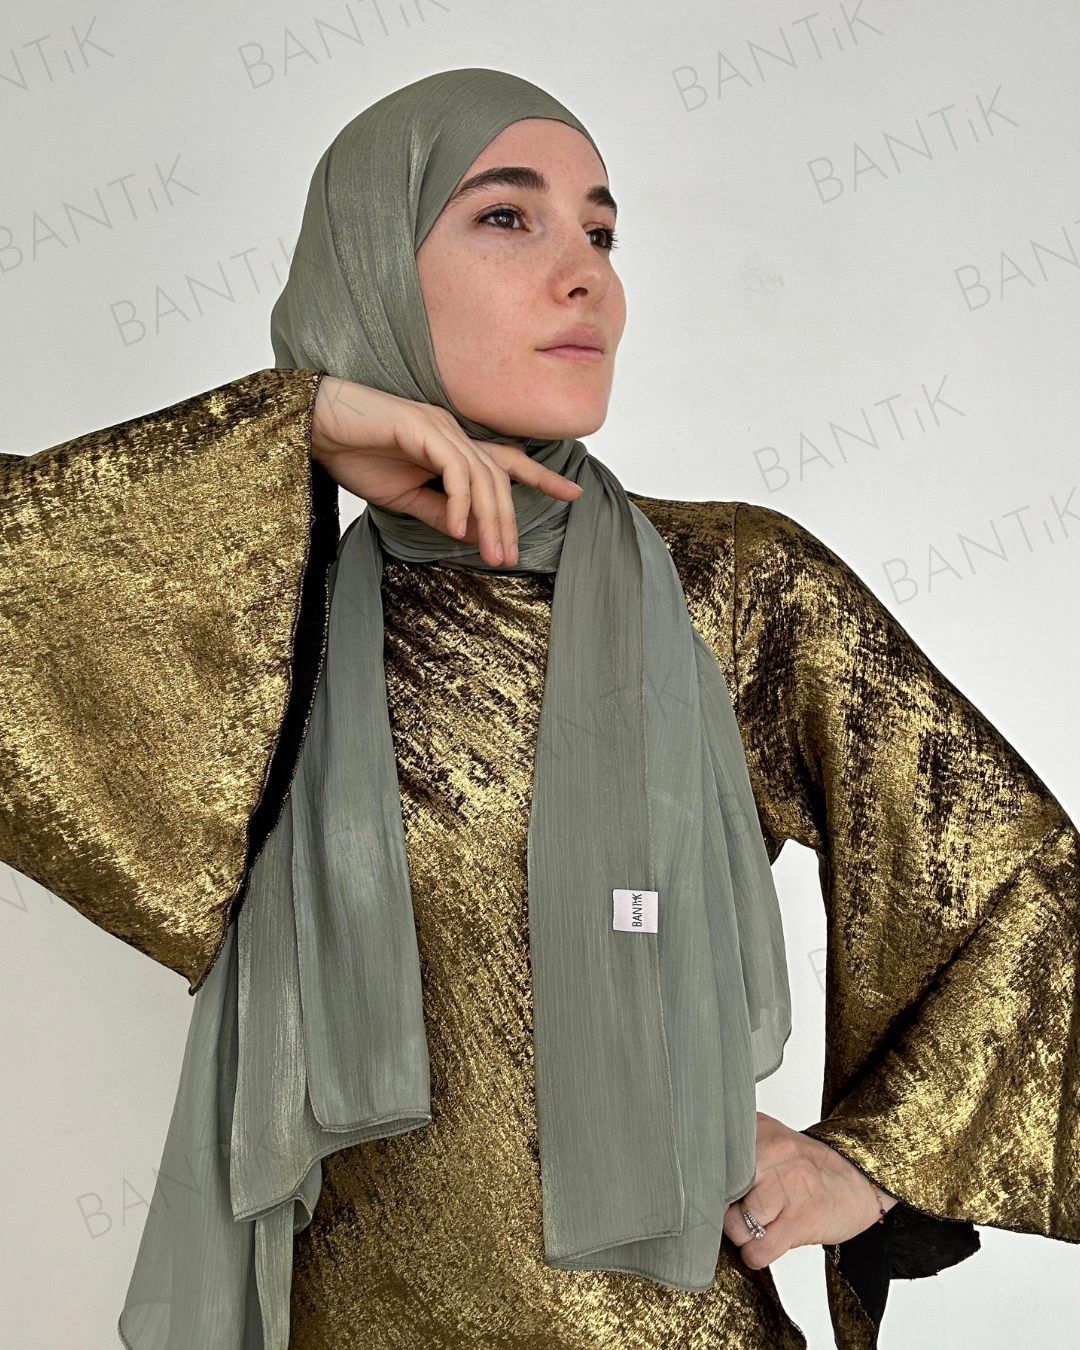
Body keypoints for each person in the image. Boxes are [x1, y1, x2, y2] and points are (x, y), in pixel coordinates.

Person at [1, 67, 1077, 1350]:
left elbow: (1026, 887)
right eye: (508, 217)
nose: (587, 277)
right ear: (370, 270)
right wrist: (298, 422)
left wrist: (876, 1161)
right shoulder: (244, 626)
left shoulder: (733, 589)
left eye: (603, 233)